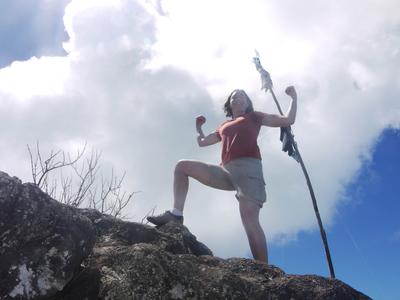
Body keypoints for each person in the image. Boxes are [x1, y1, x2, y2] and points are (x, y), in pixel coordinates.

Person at [147, 86, 297, 263]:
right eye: (234, 97)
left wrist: (293, 98)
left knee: (249, 217)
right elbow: (203, 142)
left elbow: (288, 120)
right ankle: (176, 214)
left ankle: (264, 269)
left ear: (248, 103)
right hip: (225, 170)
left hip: (249, 168)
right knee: (182, 166)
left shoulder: (254, 116)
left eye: (242, 96)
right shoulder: (224, 126)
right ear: (230, 104)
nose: (237, 98)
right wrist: (199, 127)